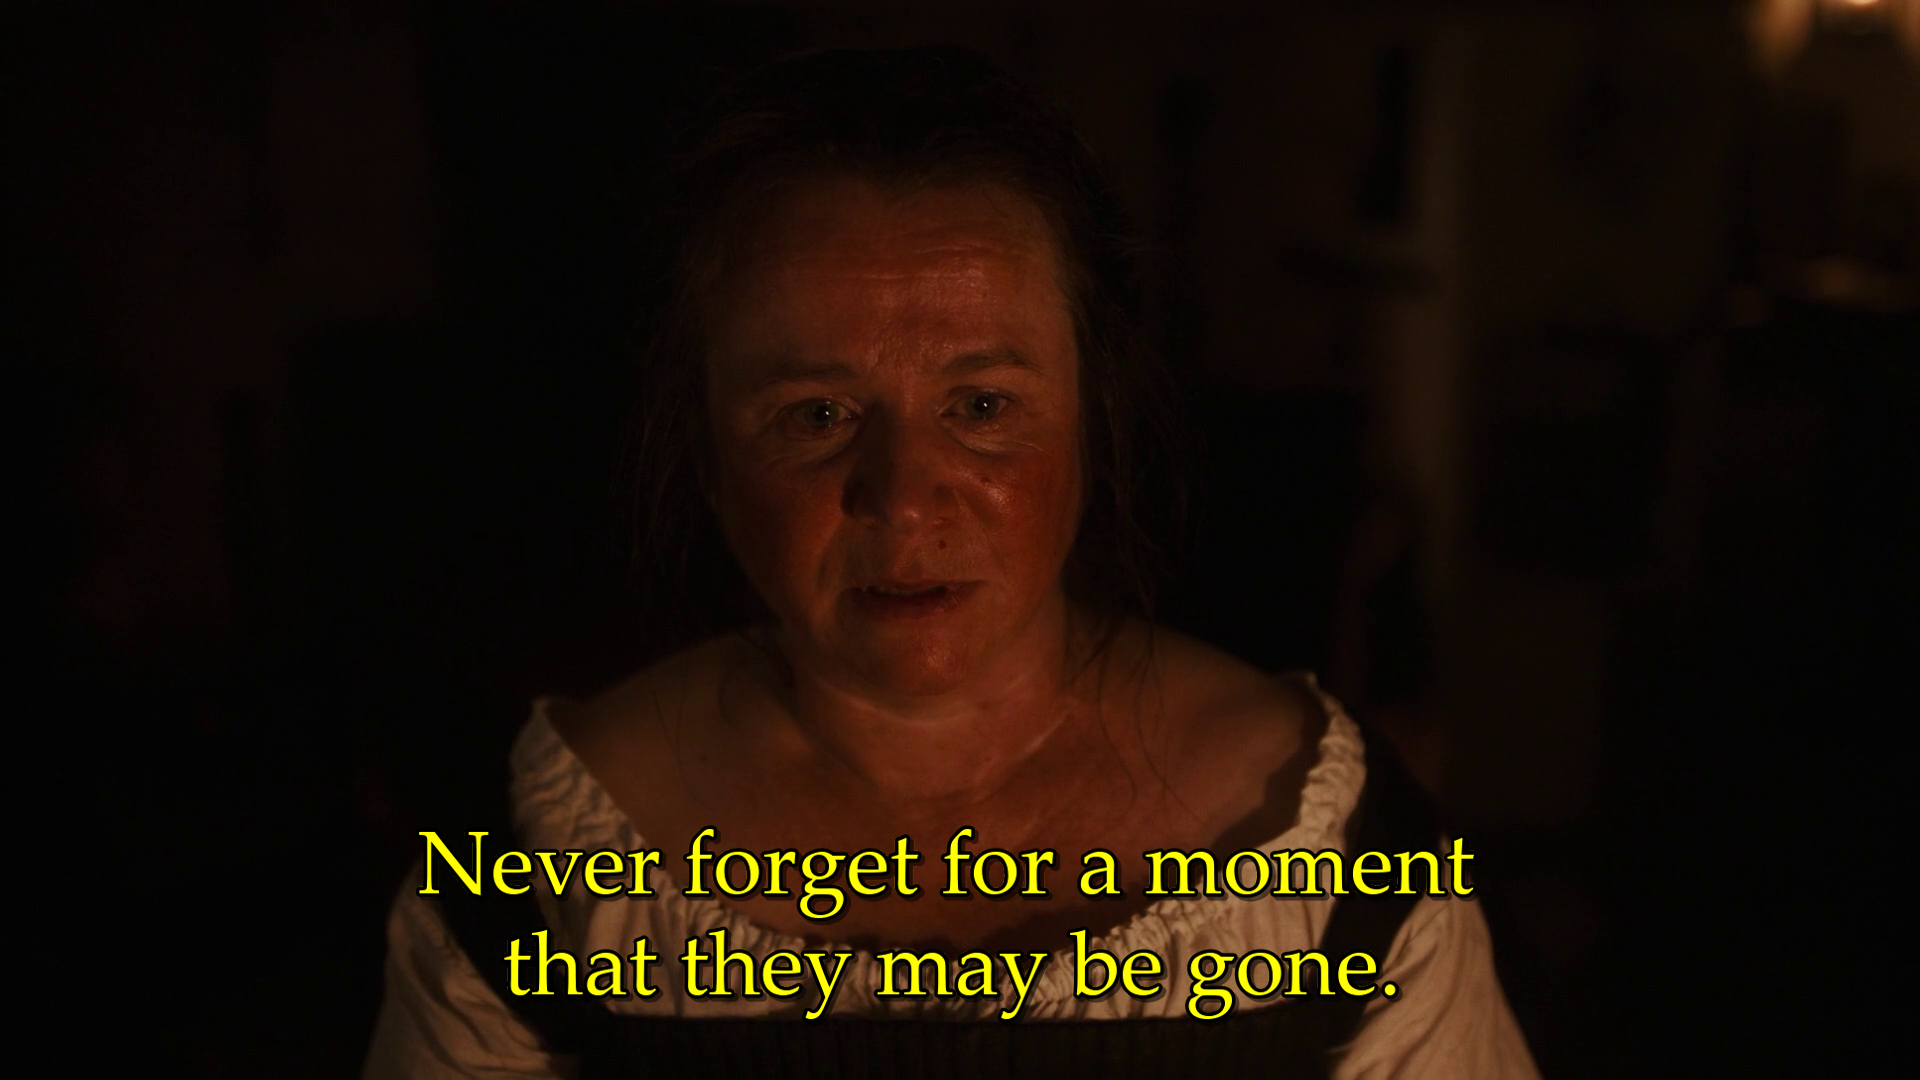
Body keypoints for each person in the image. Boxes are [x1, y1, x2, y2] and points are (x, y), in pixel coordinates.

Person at [364, 46, 1537, 1079]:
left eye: (981, 405)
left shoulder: (1331, 849)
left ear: (1090, 425)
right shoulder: (536, 866)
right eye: (816, 415)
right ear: (709, 459)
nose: (903, 494)